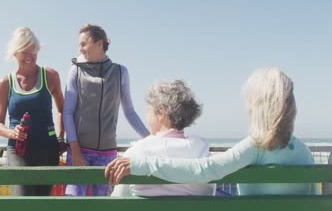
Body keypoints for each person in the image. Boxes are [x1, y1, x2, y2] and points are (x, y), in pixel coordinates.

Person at [106, 67, 319, 195]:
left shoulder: (256, 145)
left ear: (258, 109)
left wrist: (143, 165)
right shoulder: (303, 152)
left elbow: (205, 170)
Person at [64, 23, 150, 196]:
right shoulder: (75, 71)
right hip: (80, 151)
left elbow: (130, 112)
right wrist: (75, 149)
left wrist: (152, 140)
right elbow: (67, 112)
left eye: (83, 44)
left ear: (99, 44)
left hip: (107, 155)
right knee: (71, 201)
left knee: (103, 205)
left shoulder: (120, 72)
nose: (80, 49)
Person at [111, 80, 214, 196]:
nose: (146, 117)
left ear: (161, 112)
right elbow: (208, 191)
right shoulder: (202, 152)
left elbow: (118, 200)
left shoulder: (135, 154)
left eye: (148, 111)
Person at [0, 27, 64, 196]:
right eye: (24, 51)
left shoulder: (50, 76)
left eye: (33, 50)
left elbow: (63, 110)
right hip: (17, 152)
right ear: (15, 54)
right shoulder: (5, 83)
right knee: (22, 200)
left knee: (42, 203)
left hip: (47, 150)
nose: (29, 56)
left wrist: (61, 138)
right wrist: (12, 133)